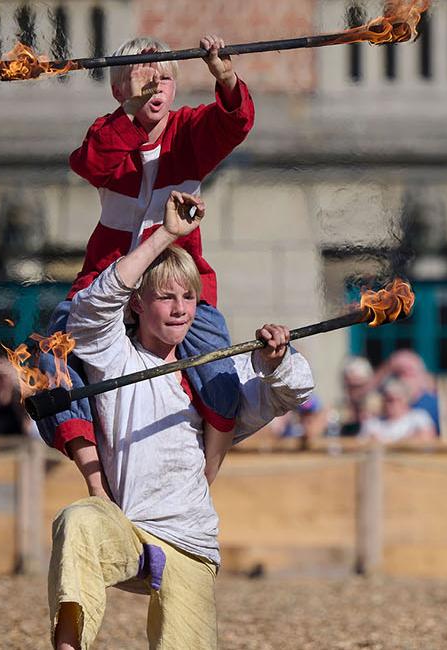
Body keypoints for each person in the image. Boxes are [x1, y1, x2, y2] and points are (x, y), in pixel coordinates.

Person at [49, 191, 312, 650]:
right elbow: (90, 310)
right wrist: (167, 235)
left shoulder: (214, 385)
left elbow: (292, 391)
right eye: (165, 296)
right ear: (137, 305)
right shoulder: (115, 359)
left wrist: (277, 359)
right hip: (125, 528)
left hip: (188, 540)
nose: (179, 308)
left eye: (188, 297)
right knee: (78, 521)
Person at [38, 33, 256, 488]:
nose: (155, 88)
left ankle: (203, 481)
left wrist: (228, 78)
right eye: (141, 80)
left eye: (164, 78)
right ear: (119, 90)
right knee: (52, 356)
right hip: (108, 281)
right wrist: (131, 116)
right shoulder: (110, 133)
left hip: (176, 287)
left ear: (176, 88)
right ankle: (96, 484)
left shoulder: (191, 132)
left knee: (220, 372)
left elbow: (233, 123)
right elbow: (90, 163)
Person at [361, 378, 436, 444]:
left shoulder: (419, 417)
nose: (392, 403)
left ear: (406, 400)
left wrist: (384, 441)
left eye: (396, 399)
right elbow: (361, 445)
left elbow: (426, 438)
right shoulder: (373, 423)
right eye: (388, 399)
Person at [331, 356, 378, 437]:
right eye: (350, 386)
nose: (355, 391)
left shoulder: (382, 406)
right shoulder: (338, 409)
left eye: (359, 386)